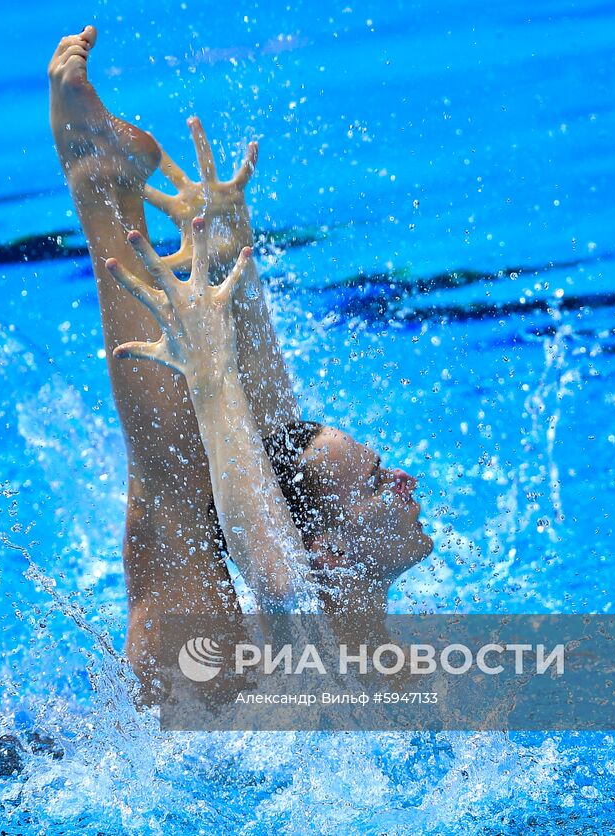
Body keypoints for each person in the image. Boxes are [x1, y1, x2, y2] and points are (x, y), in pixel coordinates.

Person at [48, 26, 433, 682]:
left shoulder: (397, 654)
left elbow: (279, 447)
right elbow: (277, 568)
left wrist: (233, 262)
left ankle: (106, 183)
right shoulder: (302, 652)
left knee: (191, 502)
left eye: (380, 472)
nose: (406, 483)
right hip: (146, 741)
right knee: (175, 509)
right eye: (375, 483)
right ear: (330, 552)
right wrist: (209, 370)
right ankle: (101, 188)